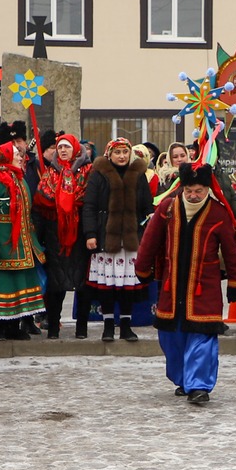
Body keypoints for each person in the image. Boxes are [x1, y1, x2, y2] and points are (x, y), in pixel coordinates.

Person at [136, 164, 236, 406]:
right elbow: (150, 240)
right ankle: (184, 379)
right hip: (171, 286)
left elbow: (231, 251)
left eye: (199, 191)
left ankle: (199, 386)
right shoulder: (167, 208)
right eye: (189, 191)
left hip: (204, 288)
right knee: (170, 337)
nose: (194, 195)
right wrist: (142, 269)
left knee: (202, 337)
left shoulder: (218, 213)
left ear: (208, 189)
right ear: (182, 188)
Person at [82, 137, 153, 341]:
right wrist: (90, 234)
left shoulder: (138, 175)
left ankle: (126, 326)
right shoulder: (98, 175)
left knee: (127, 286)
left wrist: (148, 227)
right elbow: (89, 207)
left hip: (131, 239)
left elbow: (147, 206)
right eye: (117, 152)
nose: (121, 156)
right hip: (106, 238)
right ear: (109, 154)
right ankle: (107, 326)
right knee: (108, 286)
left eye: (125, 152)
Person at [0, 135, 45, 339]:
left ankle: (14, 326)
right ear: (5, 156)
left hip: (22, 244)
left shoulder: (20, 179)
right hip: (3, 244)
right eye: (16, 154)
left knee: (19, 285)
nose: (20, 157)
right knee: (3, 284)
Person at [34, 133, 91, 338]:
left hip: (81, 234)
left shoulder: (88, 172)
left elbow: (91, 202)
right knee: (55, 283)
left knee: (83, 282)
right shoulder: (49, 173)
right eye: (60, 147)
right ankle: (53, 326)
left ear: (75, 149)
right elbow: (41, 202)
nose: (63, 150)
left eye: (67, 147)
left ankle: (82, 327)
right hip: (54, 234)